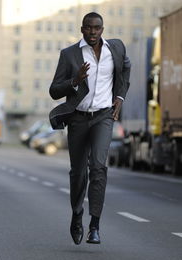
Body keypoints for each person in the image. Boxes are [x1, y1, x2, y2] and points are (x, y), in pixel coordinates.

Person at [49, 12, 131, 245]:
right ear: (82, 29)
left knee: (98, 167)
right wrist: (74, 80)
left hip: (104, 116)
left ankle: (95, 225)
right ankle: (77, 215)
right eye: (88, 28)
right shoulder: (69, 54)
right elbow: (54, 90)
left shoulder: (115, 48)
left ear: (102, 30)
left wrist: (120, 97)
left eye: (97, 28)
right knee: (78, 173)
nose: (93, 32)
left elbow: (126, 69)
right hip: (78, 118)